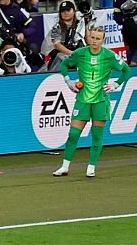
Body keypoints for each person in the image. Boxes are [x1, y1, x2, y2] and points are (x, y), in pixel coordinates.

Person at [52, 26, 132, 178]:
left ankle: (91, 167)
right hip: (82, 100)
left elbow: (126, 70)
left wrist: (115, 85)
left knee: (96, 136)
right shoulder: (80, 54)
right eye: (92, 38)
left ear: (103, 40)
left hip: (101, 101)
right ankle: (64, 167)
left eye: (98, 39)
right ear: (88, 38)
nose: (94, 41)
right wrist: (68, 81)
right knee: (73, 135)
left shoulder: (109, 56)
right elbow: (64, 64)